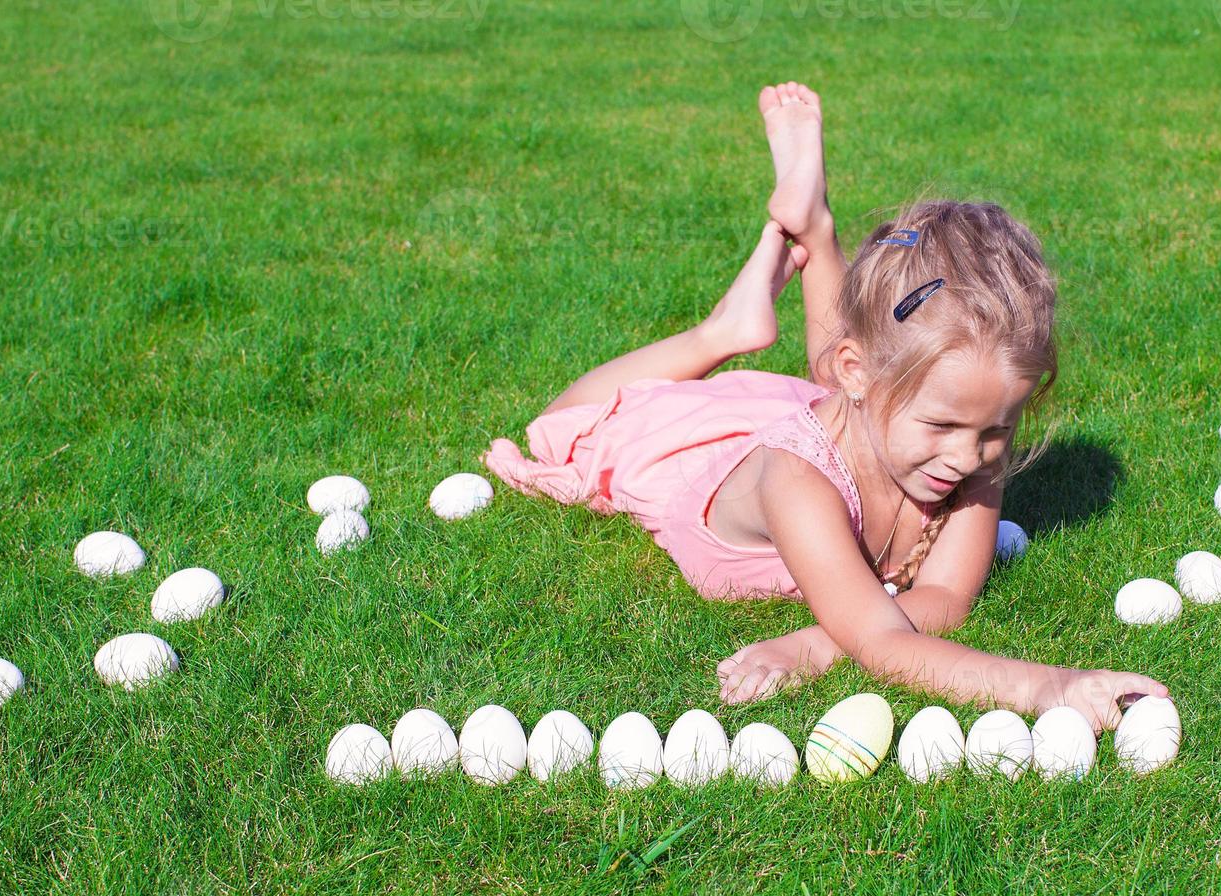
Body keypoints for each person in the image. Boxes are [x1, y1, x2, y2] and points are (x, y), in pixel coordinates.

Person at [483, 83, 1167, 731]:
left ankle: (811, 224)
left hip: (844, 408)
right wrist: (1050, 688)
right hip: (698, 460)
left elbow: (946, 602)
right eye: (943, 424)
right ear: (864, 378)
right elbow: (882, 638)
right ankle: (721, 332)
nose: (968, 457)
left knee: (862, 372)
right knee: (564, 429)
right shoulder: (797, 479)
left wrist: (812, 642)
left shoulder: (962, 438)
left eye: (996, 428)